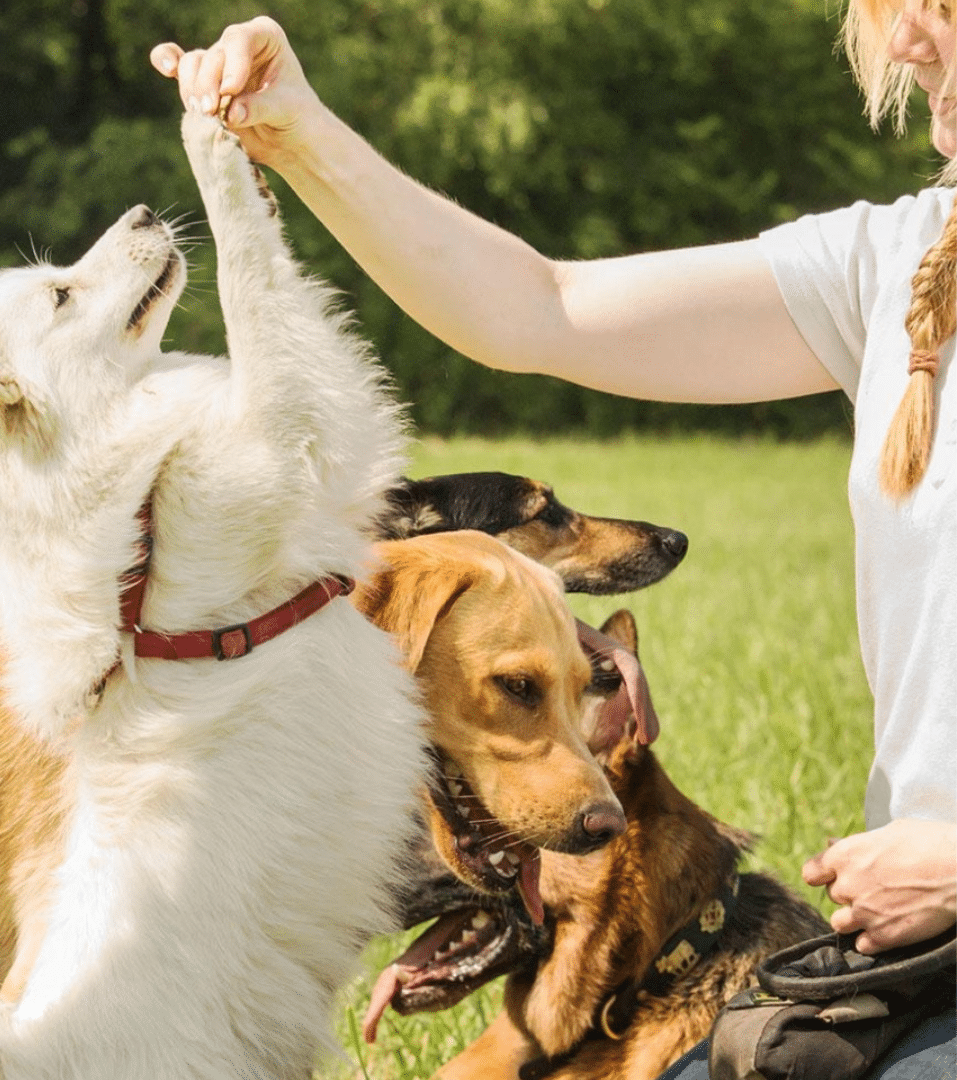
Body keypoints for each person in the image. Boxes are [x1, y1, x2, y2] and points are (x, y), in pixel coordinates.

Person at [150, 1, 955, 1072]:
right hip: (904, 962)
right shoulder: (898, 262)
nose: (904, 45)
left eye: (939, 9)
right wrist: (297, 128)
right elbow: (539, 308)